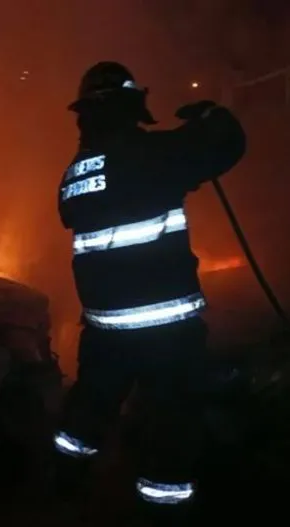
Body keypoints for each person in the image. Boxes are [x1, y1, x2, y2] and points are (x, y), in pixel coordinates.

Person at [52, 61, 246, 522]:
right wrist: (213, 113)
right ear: (128, 105)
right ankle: (163, 507)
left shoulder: (74, 174)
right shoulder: (151, 154)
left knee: (89, 409)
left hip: (104, 328)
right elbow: (225, 145)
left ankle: (63, 485)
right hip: (164, 330)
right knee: (172, 419)